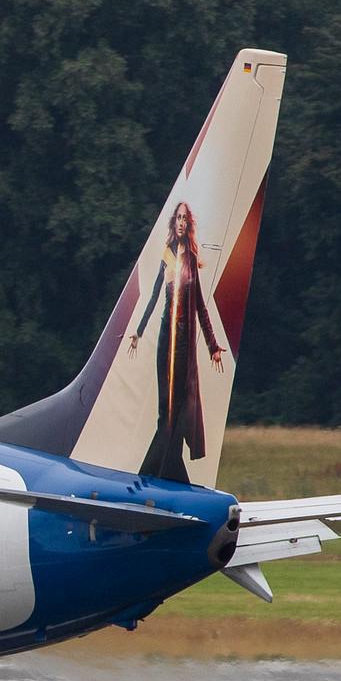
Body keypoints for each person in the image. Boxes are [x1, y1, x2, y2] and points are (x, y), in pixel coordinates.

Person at [137, 199, 225, 476]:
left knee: (177, 411)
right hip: (166, 336)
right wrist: (138, 331)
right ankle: (167, 476)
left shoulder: (189, 260)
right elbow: (153, 295)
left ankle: (151, 474)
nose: (181, 222)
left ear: (188, 224)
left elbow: (199, 305)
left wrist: (212, 345)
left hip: (185, 343)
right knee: (166, 410)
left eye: (185, 218)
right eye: (178, 217)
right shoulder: (167, 254)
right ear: (173, 222)